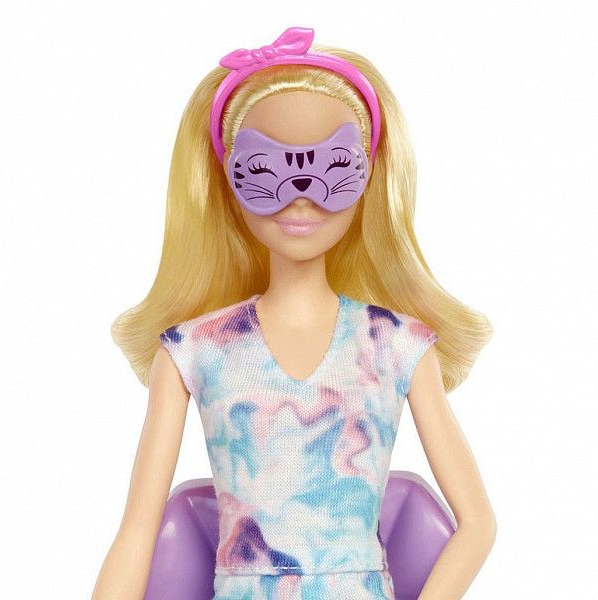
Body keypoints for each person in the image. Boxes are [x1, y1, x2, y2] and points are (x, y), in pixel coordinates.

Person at [92, 26, 496, 600]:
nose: (300, 193)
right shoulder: (192, 351)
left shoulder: (397, 345)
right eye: (264, 172)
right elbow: (137, 531)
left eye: (335, 168)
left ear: (369, 177)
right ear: (227, 180)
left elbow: (477, 523)